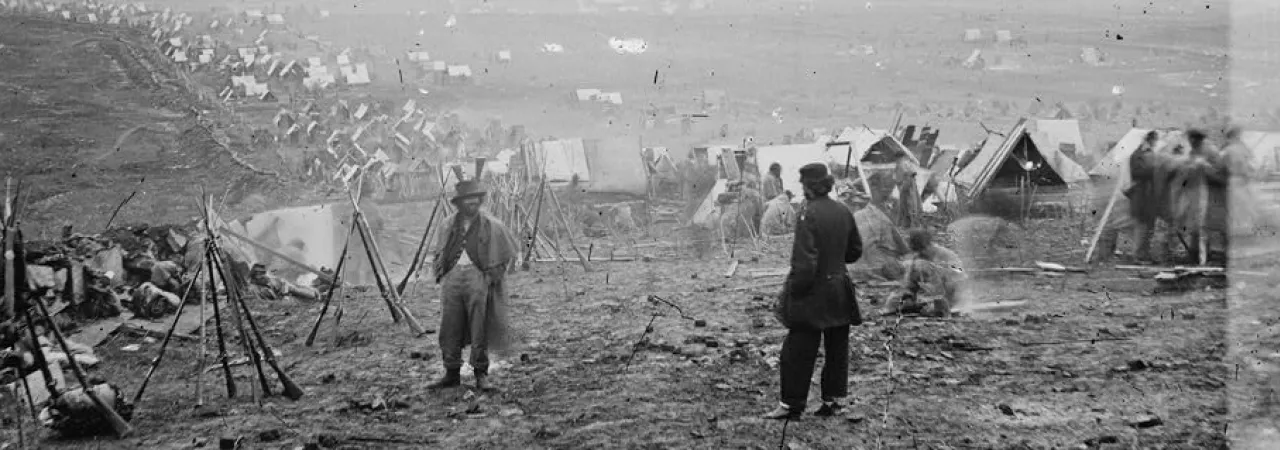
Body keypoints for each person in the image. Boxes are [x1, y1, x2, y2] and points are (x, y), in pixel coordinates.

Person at [764, 163, 863, 420]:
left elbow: (804, 263)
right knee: (837, 350)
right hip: (840, 290)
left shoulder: (808, 213)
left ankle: (791, 405)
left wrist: (794, 292)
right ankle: (833, 401)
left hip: (813, 294)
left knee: (797, 350)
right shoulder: (843, 210)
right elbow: (855, 252)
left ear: (808, 186)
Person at [427, 178, 520, 391]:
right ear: (459, 203)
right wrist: (443, 273)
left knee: (480, 326)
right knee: (449, 326)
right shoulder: (448, 224)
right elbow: (439, 251)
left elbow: (505, 254)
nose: (472, 203)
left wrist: (490, 276)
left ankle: (480, 374)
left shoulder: (492, 225)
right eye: (467, 200)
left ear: (479, 201)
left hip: (477, 277)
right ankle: (451, 373)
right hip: (452, 278)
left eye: (475, 199)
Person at [879, 229, 967, 318]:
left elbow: (959, 275)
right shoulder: (917, 259)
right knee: (896, 300)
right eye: (917, 251)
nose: (921, 253)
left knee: (935, 306)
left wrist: (940, 269)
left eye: (923, 249)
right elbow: (909, 283)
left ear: (929, 244)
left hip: (947, 294)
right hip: (925, 296)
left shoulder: (947, 256)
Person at [1125, 130, 1161, 263]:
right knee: (1142, 226)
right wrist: (1155, 169)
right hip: (1141, 195)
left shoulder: (1150, 154)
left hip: (1149, 195)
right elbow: (1137, 172)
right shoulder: (1137, 155)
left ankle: (1145, 253)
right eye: (1153, 140)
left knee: (1149, 227)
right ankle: (1138, 255)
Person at [248, 263, 319, 301]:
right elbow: (266, 300)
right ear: (255, 274)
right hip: (280, 299)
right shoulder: (254, 288)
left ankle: (314, 295)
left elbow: (281, 283)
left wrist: (284, 291)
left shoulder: (268, 279)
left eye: (263, 273)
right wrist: (284, 296)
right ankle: (313, 295)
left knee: (295, 289)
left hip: (285, 290)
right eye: (259, 273)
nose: (262, 275)